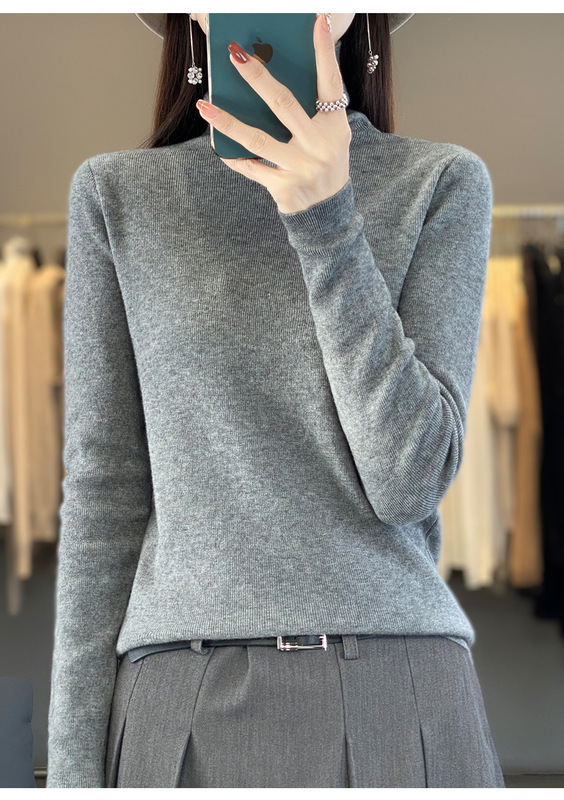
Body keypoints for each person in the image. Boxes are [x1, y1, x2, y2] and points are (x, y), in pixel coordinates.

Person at [46, 12, 506, 788]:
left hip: (399, 693)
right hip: (179, 695)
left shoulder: (440, 181)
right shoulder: (118, 194)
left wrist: (325, 220)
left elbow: (409, 480)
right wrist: (69, 773)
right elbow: (103, 497)